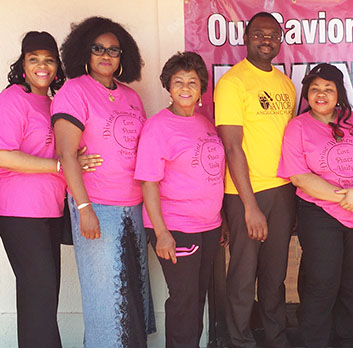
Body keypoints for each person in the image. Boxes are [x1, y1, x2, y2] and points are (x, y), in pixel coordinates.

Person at [0, 31, 101, 348]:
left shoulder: (51, 102)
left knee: (44, 292)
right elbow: (0, 154)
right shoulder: (11, 100)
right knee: (39, 292)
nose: (42, 66)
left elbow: (53, 152)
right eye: (34, 59)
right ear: (22, 64)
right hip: (20, 211)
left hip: (49, 208)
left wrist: (73, 160)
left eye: (49, 60)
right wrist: (59, 167)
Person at [51, 16, 153, 347]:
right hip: (97, 205)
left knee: (131, 294)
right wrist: (84, 208)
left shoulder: (130, 96)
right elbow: (67, 155)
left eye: (114, 50)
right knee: (105, 297)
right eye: (98, 48)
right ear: (85, 51)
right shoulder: (74, 91)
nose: (106, 55)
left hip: (133, 206)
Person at [277, 63, 353, 348]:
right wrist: (348, 198)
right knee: (322, 283)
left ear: (339, 93)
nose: (321, 94)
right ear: (306, 94)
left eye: (328, 89)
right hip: (319, 213)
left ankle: (348, 341)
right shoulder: (297, 127)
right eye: (315, 89)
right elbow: (300, 176)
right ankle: (315, 342)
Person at [215, 11, 297, 348]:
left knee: (275, 275)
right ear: (246, 38)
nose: (267, 40)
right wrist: (249, 207)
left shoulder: (285, 83)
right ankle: (240, 340)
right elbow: (232, 147)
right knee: (243, 275)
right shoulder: (233, 82)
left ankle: (277, 338)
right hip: (245, 194)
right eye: (259, 34)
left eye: (273, 35)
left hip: (282, 191)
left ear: (280, 40)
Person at [134, 51, 225, 348]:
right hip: (176, 227)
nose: (185, 88)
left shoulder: (205, 122)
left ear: (201, 88)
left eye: (192, 82)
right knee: (184, 302)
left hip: (209, 226)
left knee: (198, 298)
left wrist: (219, 219)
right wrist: (161, 233)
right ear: (168, 87)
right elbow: (148, 183)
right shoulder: (158, 127)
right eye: (178, 82)